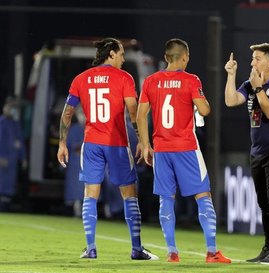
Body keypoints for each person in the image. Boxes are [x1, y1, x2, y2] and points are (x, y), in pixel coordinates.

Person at [57, 37, 158, 261]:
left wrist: (62, 143)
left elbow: (67, 113)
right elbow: (133, 112)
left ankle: (91, 248)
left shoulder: (81, 79)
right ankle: (136, 248)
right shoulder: (124, 78)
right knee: (129, 194)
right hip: (117, 144)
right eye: (121, 53)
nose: (123, 58)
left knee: (90, 196)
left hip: (92, 144)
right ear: (111, 54)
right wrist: (141, 140)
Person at [136, 38, 231, 264]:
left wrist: (146, 145)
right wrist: (198, 101)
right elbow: (205, 110)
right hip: (186, 147)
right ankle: (212, 251)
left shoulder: (151, 81)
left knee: (166, 199)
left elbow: (140, 116)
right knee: (202, 195)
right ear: (185, 57)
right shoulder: (191, 80)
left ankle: (172, 252)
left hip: (161, 149)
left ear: (167, 57)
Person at [224, 43, 269, 264]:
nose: (252, 62)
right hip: (258, 151)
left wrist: (257, 89)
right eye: (252, 58)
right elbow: (230, 100)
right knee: (263, 202)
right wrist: (231, 75)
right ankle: (268, 247)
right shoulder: (250, 83)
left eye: (257, 58)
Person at [0, 99, 27, 211]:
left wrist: (23, 158)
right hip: (4, 158)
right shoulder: (2, 123)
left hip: (13, 159)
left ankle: (6, 205)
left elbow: (20, 142)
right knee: (2, 182)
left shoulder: (16, 124)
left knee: (9, 184)